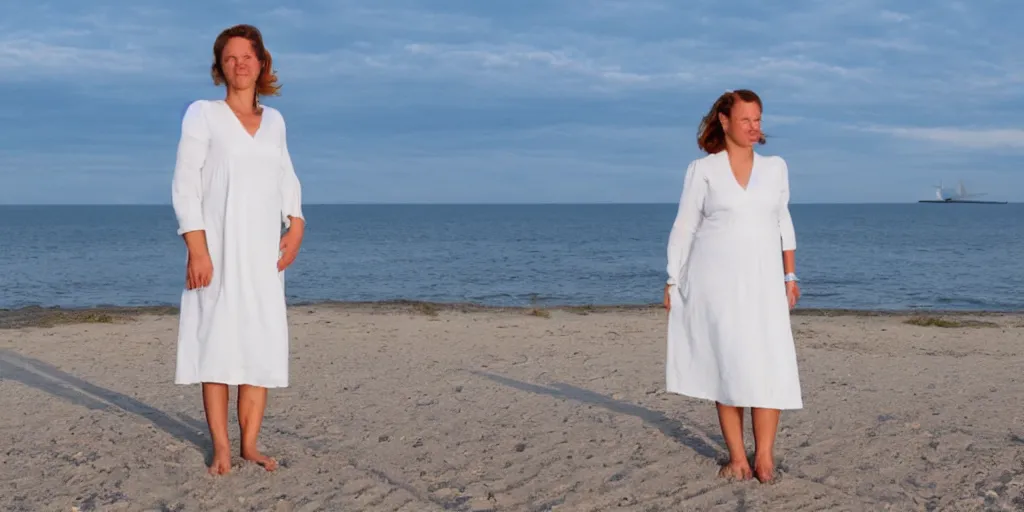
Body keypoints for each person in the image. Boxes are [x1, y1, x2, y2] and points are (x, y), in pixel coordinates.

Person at [170, 24, 305, 475]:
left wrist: (298, 223)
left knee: (259, 347)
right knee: (217, 346)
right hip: (218, 252)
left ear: (262, 64)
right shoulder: (203, 114)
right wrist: (197, 248)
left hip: (264, 257)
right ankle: (222, 448)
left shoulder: (276, 122)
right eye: (230, 58)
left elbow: (286, 178)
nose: (239, 65)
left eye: (248, 57)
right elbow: (185, 183)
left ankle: (250, 444)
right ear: (219, 67)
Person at [662, 89, 801, 483]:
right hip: (715, 283)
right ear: (724, 121)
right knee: (727, 365)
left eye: (758, 119)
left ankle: (766, 457)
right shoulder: (702, 170)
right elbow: (685, 226)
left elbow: (783, 223)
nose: (754, 127)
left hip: (764, 282)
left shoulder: (776, 168)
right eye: (746, 120)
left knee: (767, 364)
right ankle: (738, 458)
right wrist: (674, 278)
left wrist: (790, 276)